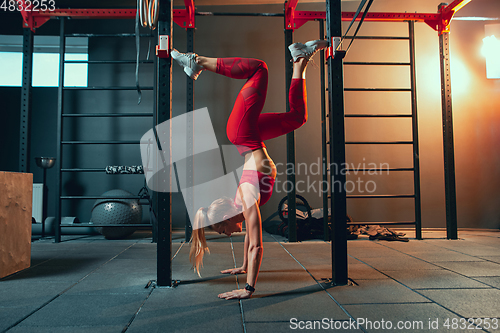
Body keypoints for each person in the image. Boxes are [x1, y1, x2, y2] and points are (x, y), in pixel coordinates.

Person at [171, 39, 328, 300]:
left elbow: (257, 245)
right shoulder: (241, 208)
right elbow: (249, 242)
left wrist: (248, 288)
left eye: (223, 231)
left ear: (226, 218)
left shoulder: (245, 199)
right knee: (297, 118)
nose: (229, 234)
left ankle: (196, 61)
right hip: (248, 137)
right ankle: (300, 60)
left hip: (242, 133)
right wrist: (244, 267)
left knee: (260, 69)